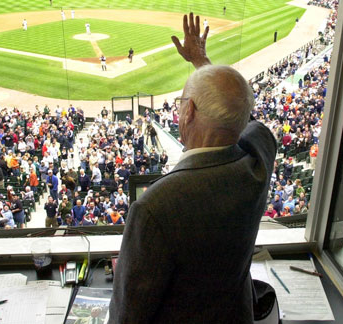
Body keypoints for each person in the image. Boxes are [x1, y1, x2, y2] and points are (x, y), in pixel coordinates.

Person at [109, 13, 276, 323]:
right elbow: (246, 118)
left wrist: (200, 63)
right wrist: (203, 63)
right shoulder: (260, 160)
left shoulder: (156, 205)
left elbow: (128, 315)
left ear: (188, 112)